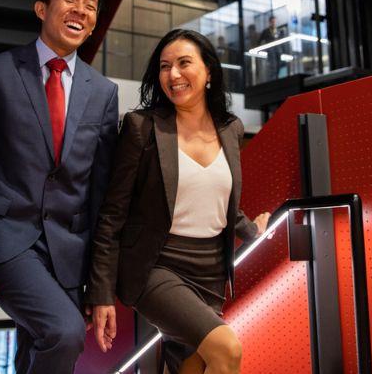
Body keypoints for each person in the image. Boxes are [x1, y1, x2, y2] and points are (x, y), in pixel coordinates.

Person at [88, 29, 270, 374]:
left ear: (209, 72)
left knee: (192, 365)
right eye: (164, 66)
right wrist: (100, 292)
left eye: (184, 63)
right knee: (226, 349)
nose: (173, 74)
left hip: (211, 270)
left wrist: (252, 230)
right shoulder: (142, 127)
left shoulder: (231, 128)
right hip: (157, 266)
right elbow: (112, 214)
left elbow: (220, 198)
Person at [0, 0, 120, 374]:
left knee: (34, 351)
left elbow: (100, 192)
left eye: (91, 6)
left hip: (69, 251)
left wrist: (100, 283)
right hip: (6, 236)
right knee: (64, 332)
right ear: (41, 8)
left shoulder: (103, 92)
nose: (81, 11)